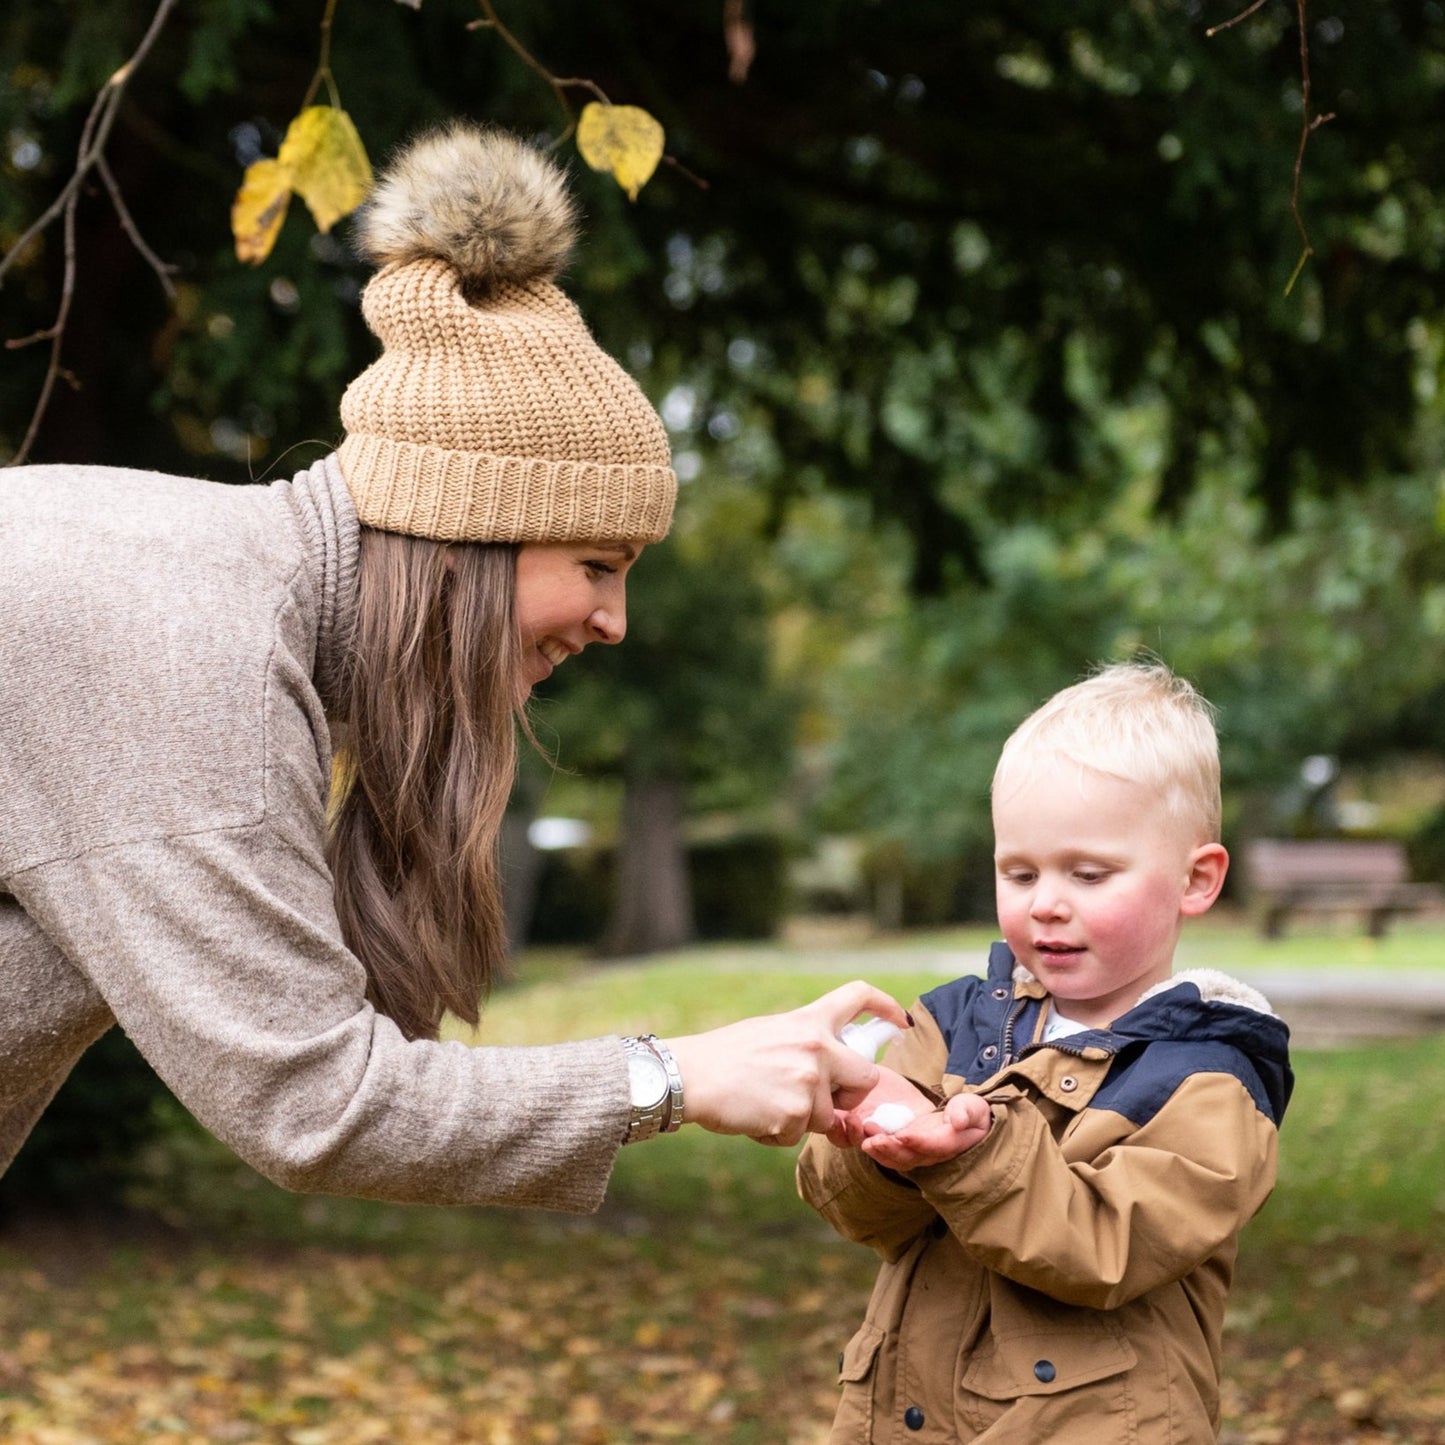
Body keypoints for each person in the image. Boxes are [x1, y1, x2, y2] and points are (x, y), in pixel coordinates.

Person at [0, 122, 907, 1210]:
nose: (614, 620)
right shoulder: (198, 654)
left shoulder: (221, 598)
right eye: (598, 564)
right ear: (467, 530)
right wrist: (675, 1075)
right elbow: (314, 1102)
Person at [797, 661, 1293, 1443]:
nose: (1046, 902)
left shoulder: (1209, 1078)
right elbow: (855, 1212)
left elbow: (1106, 1248)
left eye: (1088, 873)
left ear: (1194, 880)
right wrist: (876, 1141)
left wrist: (965, 1153)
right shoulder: (952, 1021)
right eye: (1018, 871)